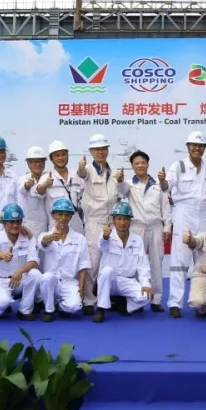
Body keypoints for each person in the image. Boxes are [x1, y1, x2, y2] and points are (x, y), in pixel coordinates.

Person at [161, 131, 206, 318]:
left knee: (204, 260)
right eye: (193, 145)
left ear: (204, 148)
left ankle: (203, 301)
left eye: (200, 145)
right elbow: (166, 186)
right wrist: (162, 180)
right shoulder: (179, 165)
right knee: (180, 261)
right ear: (188, 147)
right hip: (184, 213)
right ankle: (175, 303)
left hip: (204, 216)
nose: (197, 148)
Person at [116, 150, 170, 313]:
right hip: (137, 227)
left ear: (148, 164)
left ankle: (156, 299)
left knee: (156, 263)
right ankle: (136, 298)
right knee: (134, 263)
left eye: (143, 163)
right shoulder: (128, 184)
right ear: (132, 166)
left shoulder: (158, 184)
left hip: (155, 227)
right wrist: (119, 180)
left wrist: (167, 226)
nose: (140, 165)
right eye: (136, 163)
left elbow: (165, 207)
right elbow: (122, 189)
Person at [76, 134, 121, 315]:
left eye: (103, 149)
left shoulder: (113, 171)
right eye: (97, 149)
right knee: (93, 262)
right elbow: (82, 174)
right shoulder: (88, 170)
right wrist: (81, 167)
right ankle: (89, 300)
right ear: (91, 151)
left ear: (107, 150)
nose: (101, 152)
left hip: (111, 223)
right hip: (94, 223)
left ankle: (106, 298)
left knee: (110, 262)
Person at [93, 202, 153, 322]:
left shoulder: (137, 240)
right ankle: (101, 308)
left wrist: (146, 284)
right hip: (110, 280)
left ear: (130, 221)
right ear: (113, 220)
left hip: (127, 281)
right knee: (107, 270)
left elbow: (143, 264)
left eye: (126, 219)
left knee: (146, 296)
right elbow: (102, 244)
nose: (122, 222)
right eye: (119, 219)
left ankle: (122, 304)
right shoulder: (107, 236)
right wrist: (105, 237)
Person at [36, 199, 91, 321]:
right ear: (53, 215)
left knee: (75, 307)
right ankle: (49, 310)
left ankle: (59, 306)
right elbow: (42, 243)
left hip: (69, 282)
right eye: (60, 214)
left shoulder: (79, 239)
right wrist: (51, 237)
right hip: (52, 281)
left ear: (71, 216)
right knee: (46, 277)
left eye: (67, 215)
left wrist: (81, 289)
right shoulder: (45, 235)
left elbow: (83, 266)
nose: (63, 218)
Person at [0, 203, 41, 321]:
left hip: (20, 280)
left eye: (18, 221)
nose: (15, 225)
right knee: (2, 304)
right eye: (11, 222)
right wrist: (3, 255)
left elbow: (34, 262)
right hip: (1, 280)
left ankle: (25, 310)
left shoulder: (29, 238)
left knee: (36, 274)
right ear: (4, 223)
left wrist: (20, 271)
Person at [44, 140, 84, 234]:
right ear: (51, 159)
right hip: (56, 227)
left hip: (76, 226)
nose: (60, 158)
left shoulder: (77, 175)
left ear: (67, 155)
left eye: (63, 154)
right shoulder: (46, 178)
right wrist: (44, 185)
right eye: (57, 155)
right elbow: (38, 191)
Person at [17, 146, 52, 238]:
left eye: (41, 161)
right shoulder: (23, 179)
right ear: (28, 164)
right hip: (28, 227)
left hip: (45, 226)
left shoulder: (48, 178)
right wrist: (28, 185)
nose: (38, 164)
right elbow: (23, 188)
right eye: (34, 161)